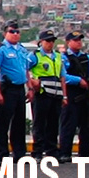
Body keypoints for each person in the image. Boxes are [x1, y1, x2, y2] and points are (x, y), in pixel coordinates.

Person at [0, 21, 32, 159]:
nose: (15, 34)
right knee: (3, 123)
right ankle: (2, 154)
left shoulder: (22, 49)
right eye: (12, 31)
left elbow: (26, 70)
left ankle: (19, 154)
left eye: (17, 32)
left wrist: (30, 88)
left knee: (19, 123)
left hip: (20, 88)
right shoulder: (1, 49)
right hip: (7, 88)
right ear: (5, 33)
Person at [60, 31, 89, 163]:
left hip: (85, 95)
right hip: (72, 94)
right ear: (68, 42)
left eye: (80, 40)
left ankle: (84, 153)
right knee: (69, 126)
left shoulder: (86, 58)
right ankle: (65, 153)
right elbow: (63, 76)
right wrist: (78, 80)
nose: (78, 43)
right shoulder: (64, 58)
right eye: (75, 40)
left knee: (86, 126)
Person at [29, 30, 67, 160]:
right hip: (42, 93)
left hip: (56, 93)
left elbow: (62, 76)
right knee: (39, 124)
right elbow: (24, 69)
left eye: (52, 41)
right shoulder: (36, 55)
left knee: (53, 123)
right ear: (41, 42)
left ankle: (52, 151)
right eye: (48, 41)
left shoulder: (57, 56)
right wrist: (32, 82)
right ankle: (37, 152)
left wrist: (65, 95)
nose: (50, 43)